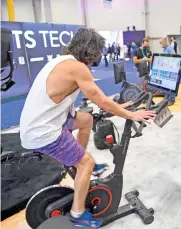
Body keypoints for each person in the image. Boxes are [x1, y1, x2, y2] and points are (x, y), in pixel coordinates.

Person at [19, 28, 156, 228]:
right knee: (87, 163)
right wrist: (131, 114)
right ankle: (78, 214)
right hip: (44, 131)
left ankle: (76, 161)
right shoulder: (78, 68)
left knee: (85, 119)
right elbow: (101, 101)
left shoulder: (62, 61)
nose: (100, 56)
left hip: (40, 123)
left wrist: (117, 106)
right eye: (99, 51)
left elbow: (92, 97)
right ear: (92, 50)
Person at [160, 37, 176, 106]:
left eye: (161, 43)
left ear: (165, 42)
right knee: (166, 85)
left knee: (171, 85)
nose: (161, 45)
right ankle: (166, 99)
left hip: (171, 69)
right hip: (166, 69)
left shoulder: (170, 48)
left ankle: (171, 100)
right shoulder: (165, 48)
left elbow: (175, 57)